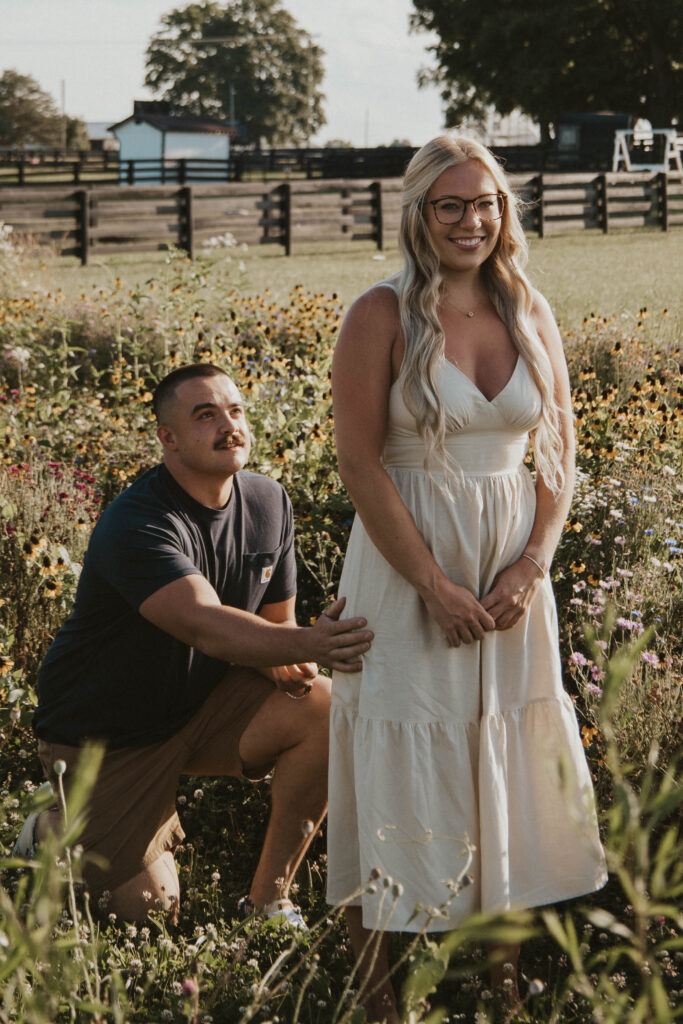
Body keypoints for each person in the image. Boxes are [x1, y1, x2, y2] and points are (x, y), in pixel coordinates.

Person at [327, 135, 607, 1020]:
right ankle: (381, 1004)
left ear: (503, 210)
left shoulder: (528, 307)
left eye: (484, 203)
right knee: (401, 772)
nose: (470, 221)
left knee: (502, 778)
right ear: (416, 213)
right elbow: (360, 464)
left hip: (511, 586)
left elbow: (560, 451)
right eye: (450, 205)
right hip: (408, 572)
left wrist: (530, 566)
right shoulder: (380, 313)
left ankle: (503, 996)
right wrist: (431, 586)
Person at [17, 363, 373, 925]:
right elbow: (204, 623)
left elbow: (278, 630)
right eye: (205, 415)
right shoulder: (137, 522)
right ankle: (46, 831)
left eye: (235, 411)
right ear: (169, 438)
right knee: (150, 913)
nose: (228, 425)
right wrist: (317, 641)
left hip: (200, 706)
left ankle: (268, 902)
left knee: (325, 707)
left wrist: (297, 654)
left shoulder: (268, 502)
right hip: (106, 739)